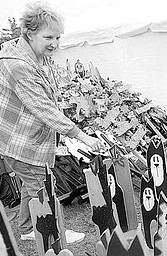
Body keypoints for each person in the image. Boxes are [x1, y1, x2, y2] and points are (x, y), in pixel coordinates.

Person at [0, 2, 105, 243]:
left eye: (58, 37)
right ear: (29, 33)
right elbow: (43, 107)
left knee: (31, 185)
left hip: (27, 138)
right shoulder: (18, 66)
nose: (55, 43)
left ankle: (27, 227)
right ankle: (52, 229)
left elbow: (49, 95)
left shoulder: (34, 55)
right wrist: (81, 135)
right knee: (42, 186)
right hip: (20, 141)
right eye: (48, 37)